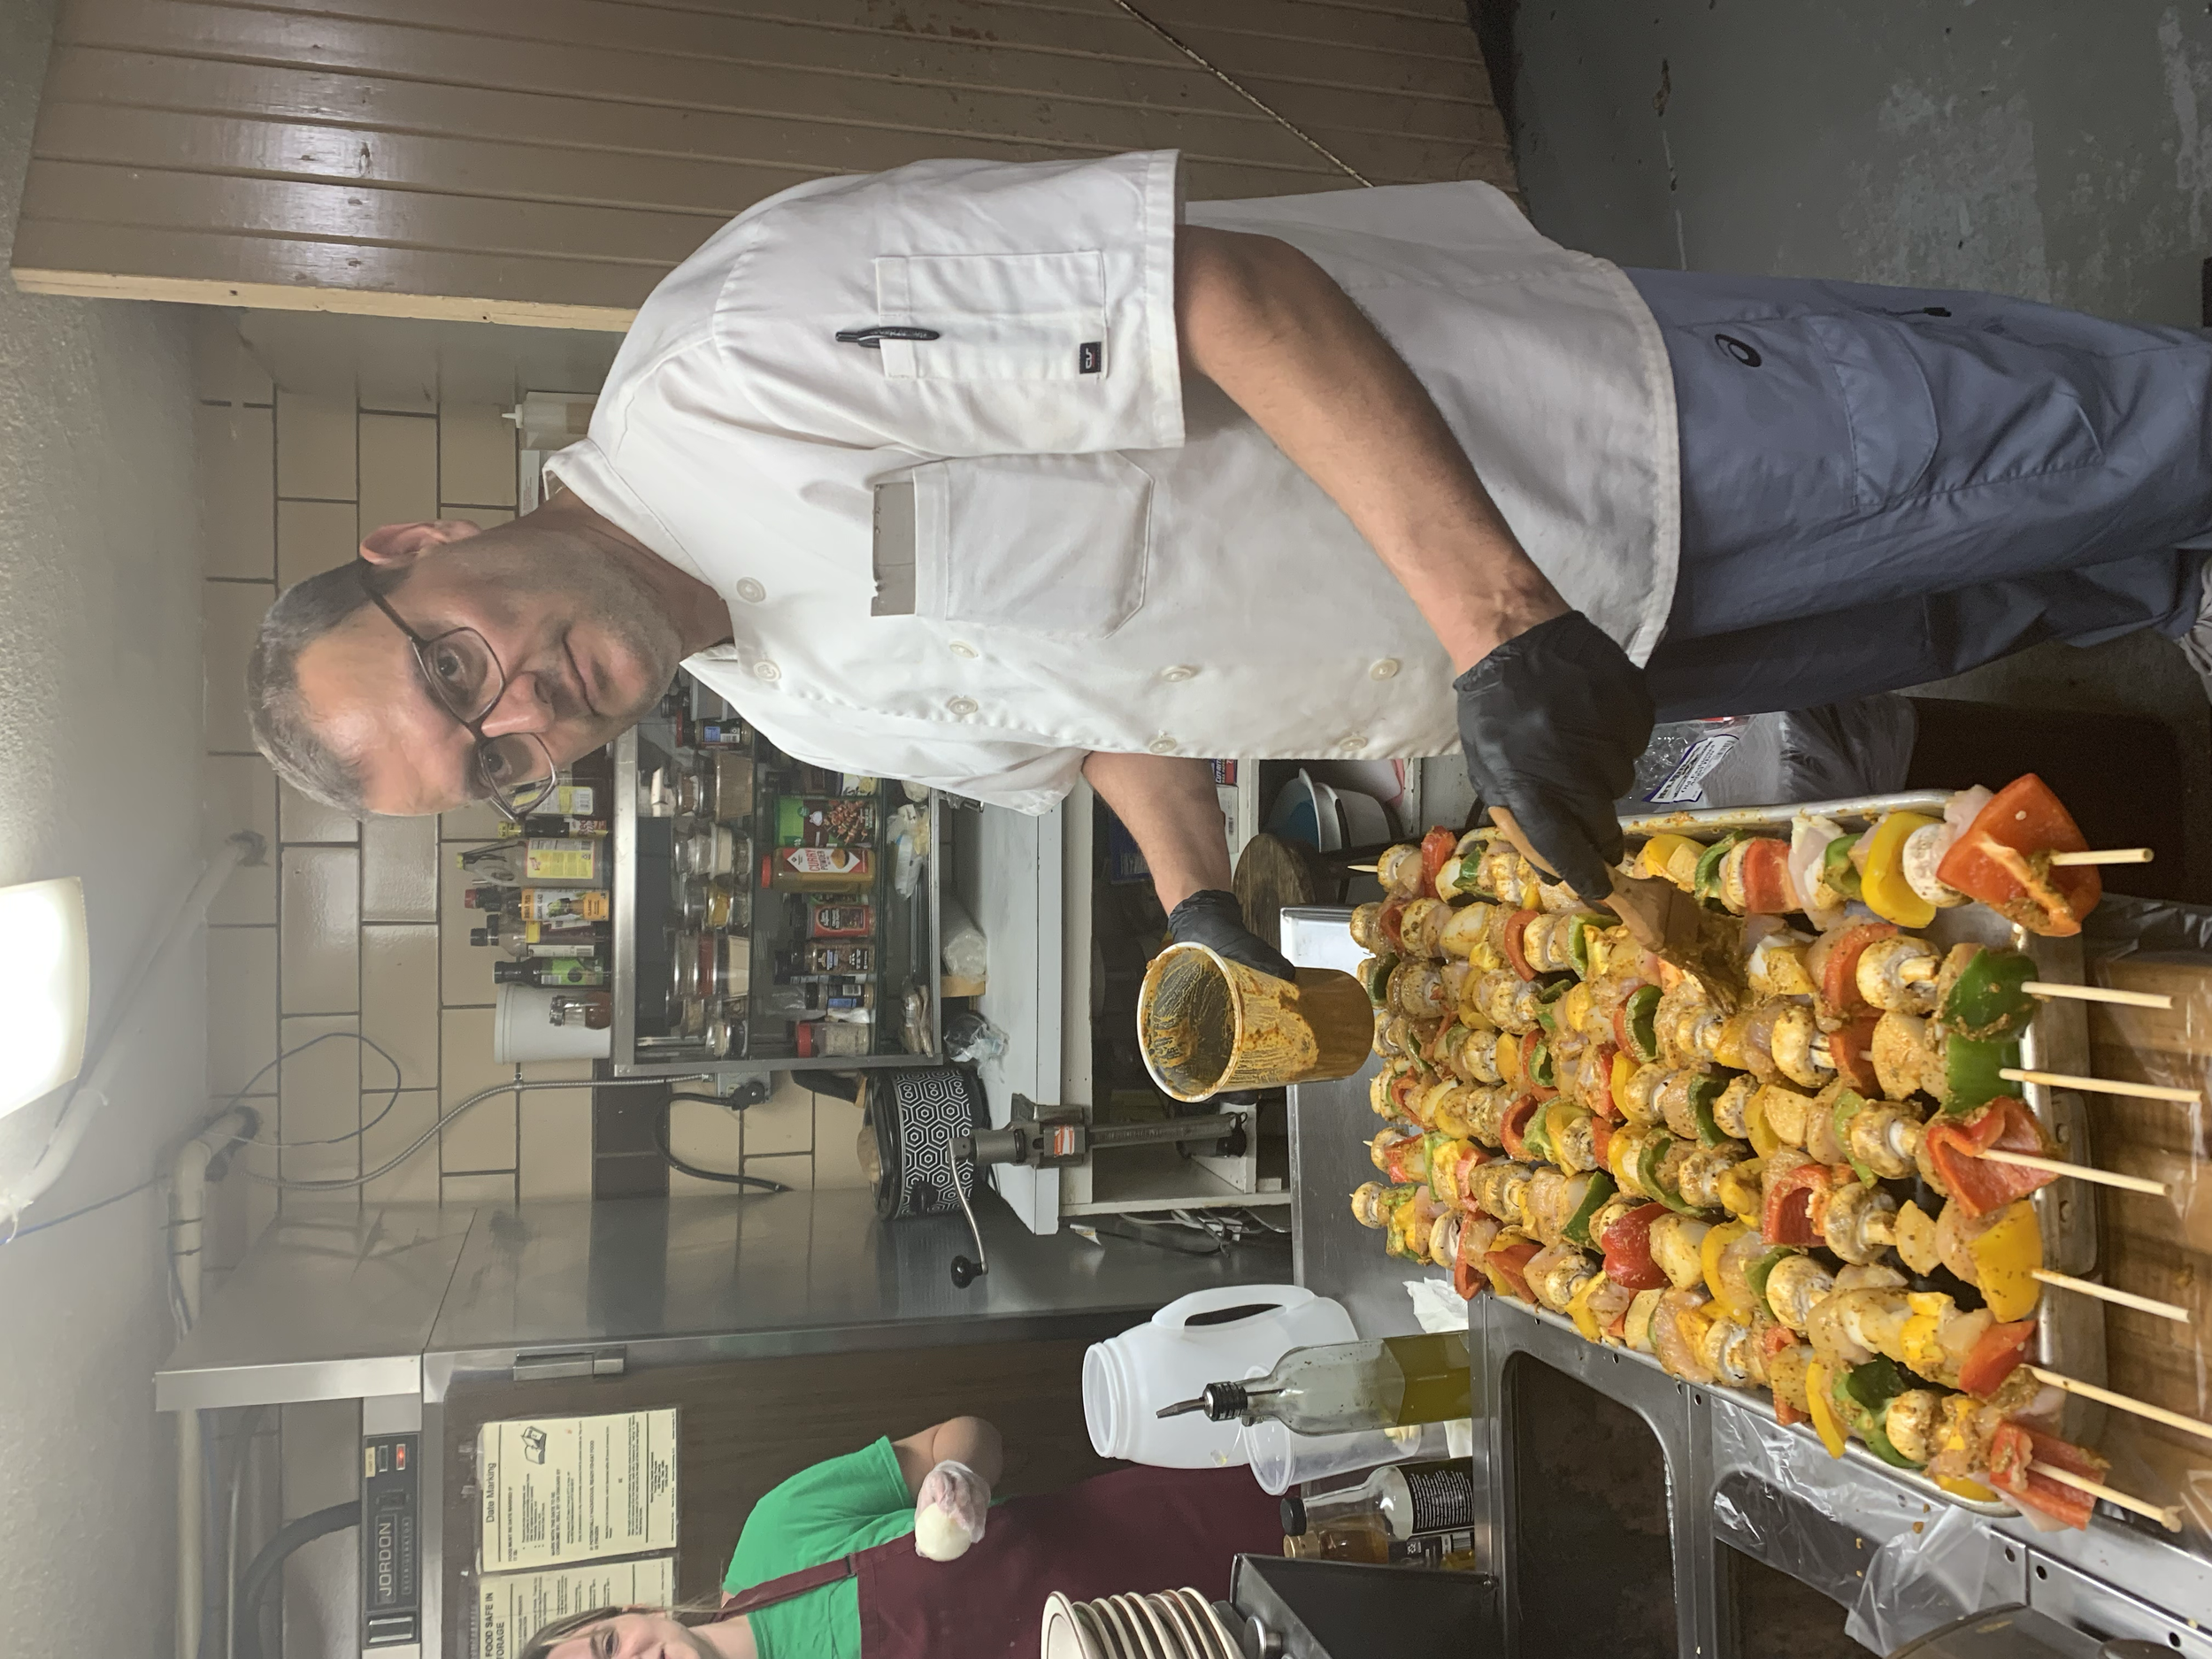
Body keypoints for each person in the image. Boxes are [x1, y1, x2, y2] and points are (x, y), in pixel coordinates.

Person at [244, 150, 2212, 979]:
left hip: (1583, 444)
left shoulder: (738, 357)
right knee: (1995, 597)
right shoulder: (795, 703)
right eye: (491, 762)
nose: (519, 713)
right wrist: (1196, 902)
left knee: (2068, 441)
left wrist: (1497, 624)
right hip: (1551, 664)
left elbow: (1217, 293)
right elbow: (1100, 710)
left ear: (419, 547)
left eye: (450, 671)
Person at [516, 1414, 1279, 1659]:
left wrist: (959, 1473)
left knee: (1337, 1522)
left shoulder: (777, 1532)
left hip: (1162, 1537)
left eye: (608, 1646)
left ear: (629, 1612)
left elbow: (967, 1434)